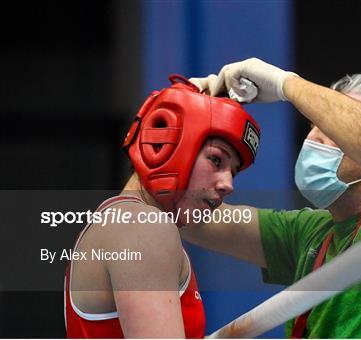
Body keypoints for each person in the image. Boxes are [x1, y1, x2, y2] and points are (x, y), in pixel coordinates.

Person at [183, 58, 361, 338]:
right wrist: (175, 134)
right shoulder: (312, 234)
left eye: (333, 127)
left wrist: (285, 83)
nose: (314, 136)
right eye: (315, 123)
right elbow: (189, 215)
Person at [64, 75, 261, 338]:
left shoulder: (116, 221)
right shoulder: (144, 227)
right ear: (165, 146)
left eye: (233, 173)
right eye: (216, 160)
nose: (228, 184)